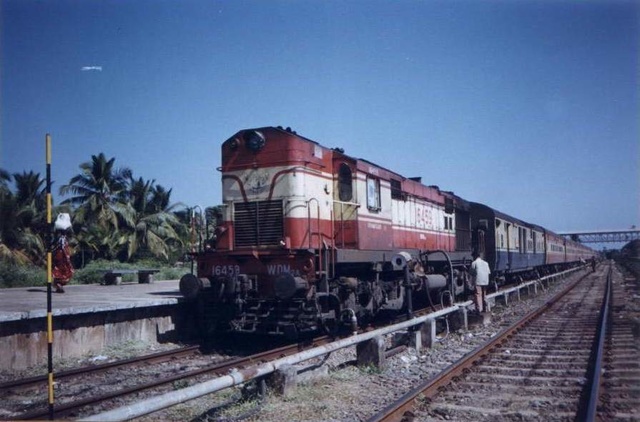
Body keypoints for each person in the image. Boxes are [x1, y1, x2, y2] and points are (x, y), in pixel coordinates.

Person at [51, 213, 74, 293]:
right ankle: (58, 284)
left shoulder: (58, 237)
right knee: (64, 269)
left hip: (59, 255)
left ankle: (58, 284)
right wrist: (66, 256)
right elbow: (61, 246)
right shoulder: (61, 238)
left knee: (59, 270)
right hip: (61, 255)